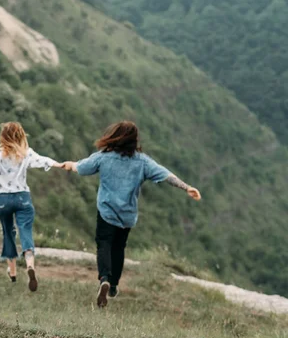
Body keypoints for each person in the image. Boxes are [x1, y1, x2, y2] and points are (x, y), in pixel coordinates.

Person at [62, 121, 201, 308]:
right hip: (127, 215)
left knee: (104, 244)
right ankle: (113, 286)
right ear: (134, 140)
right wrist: (187, 187)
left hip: (106, 211)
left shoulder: (103, 157)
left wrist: (70, 165)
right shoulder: (142, 161)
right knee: (118, 248)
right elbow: (165, 174)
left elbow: (81, 168)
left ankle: (104, 278)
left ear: (115, 136)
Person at [0, 122, 64, 292]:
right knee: (25, 231)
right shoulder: (26, 153)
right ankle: (30, 264)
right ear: (21, 136)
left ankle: (13, 271)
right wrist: (58, 164)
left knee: (8, 232)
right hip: (22, 198)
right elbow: (42, 160)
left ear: (3, 137)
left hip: (3, 199)